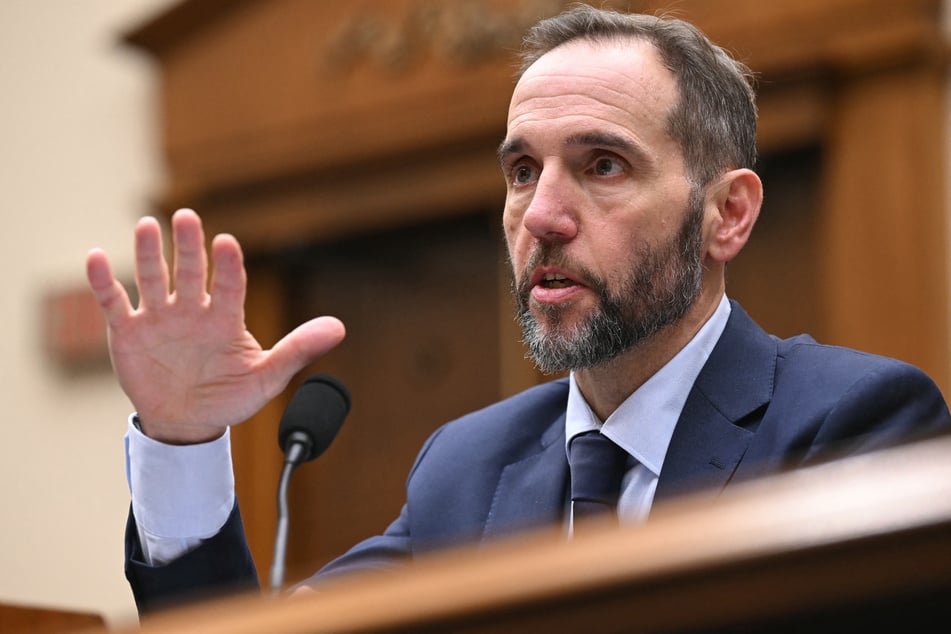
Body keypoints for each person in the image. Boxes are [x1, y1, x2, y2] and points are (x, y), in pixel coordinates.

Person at [86, 5, 951, 614]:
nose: (540, 215)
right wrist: (183, 443)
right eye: (522, 171)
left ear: (726, 213)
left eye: (602, 164)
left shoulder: (854, 422)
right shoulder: (466, 467)